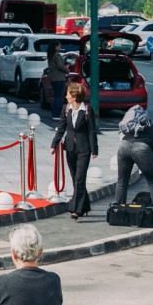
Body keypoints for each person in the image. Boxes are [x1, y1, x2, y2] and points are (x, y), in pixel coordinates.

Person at [50, 82, 98, 220]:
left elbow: (91, 131)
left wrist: (94, 150)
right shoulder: (66, 109)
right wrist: (54, 144)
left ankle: (75, 210)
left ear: (75, 96)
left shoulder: (88, 110)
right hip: (70, 148)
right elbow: (61, 127)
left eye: (68, 94)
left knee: (79, 179)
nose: (66, 96)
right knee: (75, 179)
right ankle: (85, 206)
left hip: (84, 149)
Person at [114, 104, 153, 218]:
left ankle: (117, 212)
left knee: (122, 181)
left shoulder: (144, 128)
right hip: (141, 149)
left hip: (123, 145)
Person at [45, 42, 69, 121]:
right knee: (58, 97)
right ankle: (56, 114)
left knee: (56, 96)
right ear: (56, 47)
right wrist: (67, 69)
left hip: (53, 78)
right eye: (59, 46)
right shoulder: (57, 55)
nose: (60, 47)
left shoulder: (50, 55)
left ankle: (54, 113)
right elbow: (60, 65)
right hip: (59, 78)